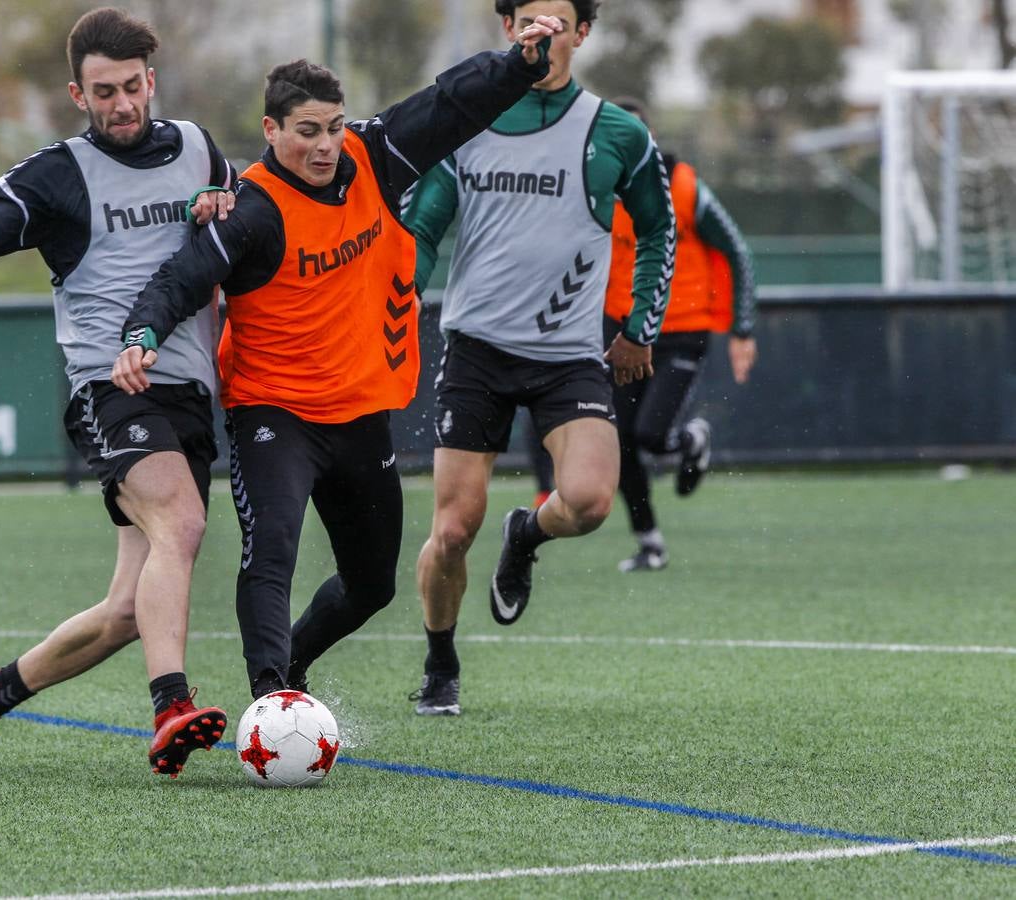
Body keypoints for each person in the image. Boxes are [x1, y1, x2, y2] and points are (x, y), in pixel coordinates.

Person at [113, 16, 565, 700]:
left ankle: (291, 663)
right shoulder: (253, 212)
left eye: (333, 127)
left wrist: (521, 63)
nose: (326, 145)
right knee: (272, 555)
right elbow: (182, 277)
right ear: (272, 132)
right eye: (307, 131)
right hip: (274, 415)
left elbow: (448, 104)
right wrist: (142, 335)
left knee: (373, 583)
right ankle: (270, 696)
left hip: (358, 415)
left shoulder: (372, 157)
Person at [0, 8, 237, 778]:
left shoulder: (197, 149)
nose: (121, 104)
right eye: (103, 91)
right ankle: (171, 705)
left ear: (152, 80)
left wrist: (226, 204)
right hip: (108, 391)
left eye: (131, 87)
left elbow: (241, 231)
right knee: (180, 525)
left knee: (125, 611)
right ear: (77, 95)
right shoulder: (60, 173)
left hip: (188, 393)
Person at [400, 0, 676, 715]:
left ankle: (526, 532)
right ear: (508, 29)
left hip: (568, 356)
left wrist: (641, 328)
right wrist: (394, 306)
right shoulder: (465, 122)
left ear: (583, 33)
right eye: (530, 21)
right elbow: (421, 230)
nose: (543, 34)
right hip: (477, 351)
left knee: (587, 502)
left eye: (559, 22)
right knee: (453, 529)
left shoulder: (616, 132)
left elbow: (658, 232)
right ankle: (440, 662)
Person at [605, 97, 757, 573]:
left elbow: (736, 249)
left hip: (681, 330)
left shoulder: (684, 187)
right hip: (623, 330)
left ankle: (690, 440)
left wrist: (742, 328)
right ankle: (649, 541)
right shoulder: (596, 191)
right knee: (619, 441)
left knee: (650, 434)